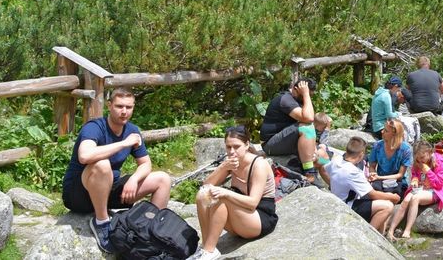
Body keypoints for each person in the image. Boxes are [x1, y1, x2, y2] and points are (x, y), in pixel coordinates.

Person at [61, 87, 172, 253]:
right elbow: (84, 156)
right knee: (102, 164)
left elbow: (146, 164)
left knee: (163, 179)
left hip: (108, 190)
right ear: (109, 105)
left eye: (129, 107)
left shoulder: (133, 130)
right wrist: (124, 143)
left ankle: (150, 232)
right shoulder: (94, 127)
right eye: (119, 106)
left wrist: (134, 180)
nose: (124, 111)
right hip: (78, 195)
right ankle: (102, 223)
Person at [189, 126, 276, 260]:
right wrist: (223, 167)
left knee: (221, 197)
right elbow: (206, 186)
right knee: (203, 195)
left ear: (247, 144)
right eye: (228, 147)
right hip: (240, 219)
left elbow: (253, 203)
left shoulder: (259, 165)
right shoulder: (231, 163)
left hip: (259, 218)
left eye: (236, 147)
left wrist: (225, 192)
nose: (232, 151)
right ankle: (206, 248)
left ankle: (209, 251)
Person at [259, 78, 328, 183]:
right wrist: (305, 94)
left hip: (290, 140)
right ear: (296, 89)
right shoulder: (285, 99)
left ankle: (337, 192)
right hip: (271, 144)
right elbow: (309, 119)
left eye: (310, 95)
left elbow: (310, 125)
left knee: (324, 158)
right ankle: (309, 172)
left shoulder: (301, 100)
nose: (308, 97)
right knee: (306, 127)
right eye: (306, 94)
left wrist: (313, 150)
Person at [323, 136, 393, 233]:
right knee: (387, 206)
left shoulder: (336, 160)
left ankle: (382, 233)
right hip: (347, 205)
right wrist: (393, 197)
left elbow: (324, 169)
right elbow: (372, 194)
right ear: (361, 155)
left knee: (380, 199)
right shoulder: (353, 172)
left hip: (337, 199)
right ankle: (369, 235)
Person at [385, 141, 443, 239]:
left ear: (430, 152)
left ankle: (407, 230)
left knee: (415, 198)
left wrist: (428, 171)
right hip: (421, 188)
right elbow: (415, 174)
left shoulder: (440, 162)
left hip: (435, 190)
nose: (420, 160)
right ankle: (391, 230)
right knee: (405, 201)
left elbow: (439, 184)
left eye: (422, 157)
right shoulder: (418, 161)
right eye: (417, 158)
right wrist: (415, 180)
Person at [367, 119, 412, 202]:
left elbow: (400, 175)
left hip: (397, 182)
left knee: (395, 192)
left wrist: (379, 177)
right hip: (380, 181)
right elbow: (372, 166)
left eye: (386, 131)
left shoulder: (405, 149)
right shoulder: (377, 146)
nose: (382, 132)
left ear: (394, 134)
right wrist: (373, 174)